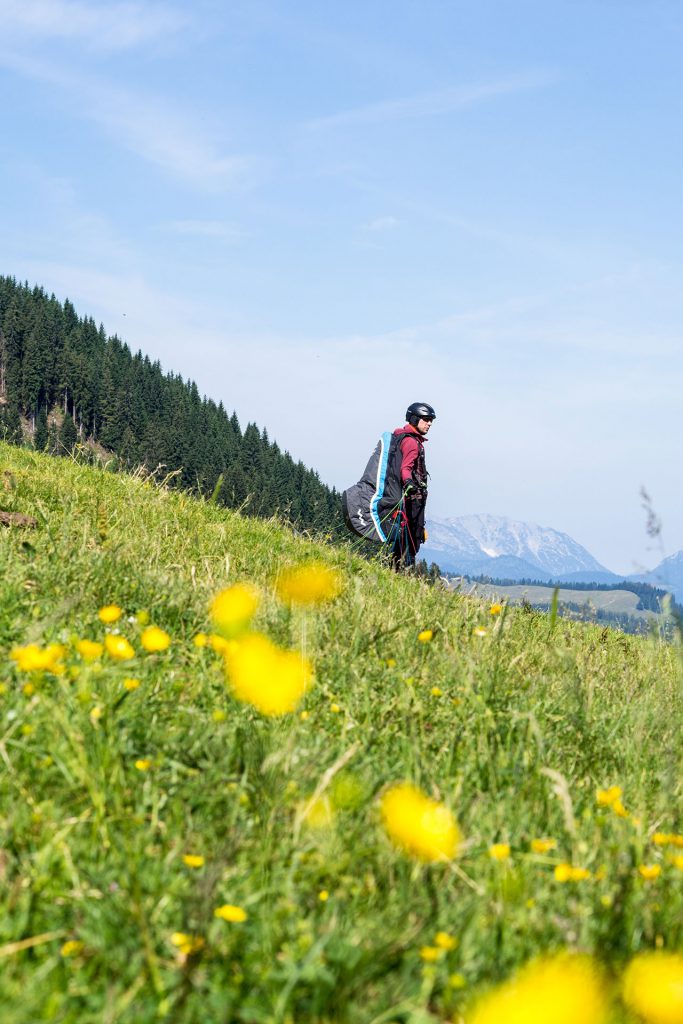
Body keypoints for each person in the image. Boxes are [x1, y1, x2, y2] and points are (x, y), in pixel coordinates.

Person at [389, 402, 435, 570]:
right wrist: (409, 483)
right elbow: (406, 467)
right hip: (412, 501)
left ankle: (394, 572)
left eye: (431, 420)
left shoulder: (404, 438)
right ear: (415, 419)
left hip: (408, 500)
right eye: (426, 419)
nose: (429, 423)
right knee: (410, 540)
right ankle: (402, 573)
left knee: (403, 539)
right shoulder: (411, 443)